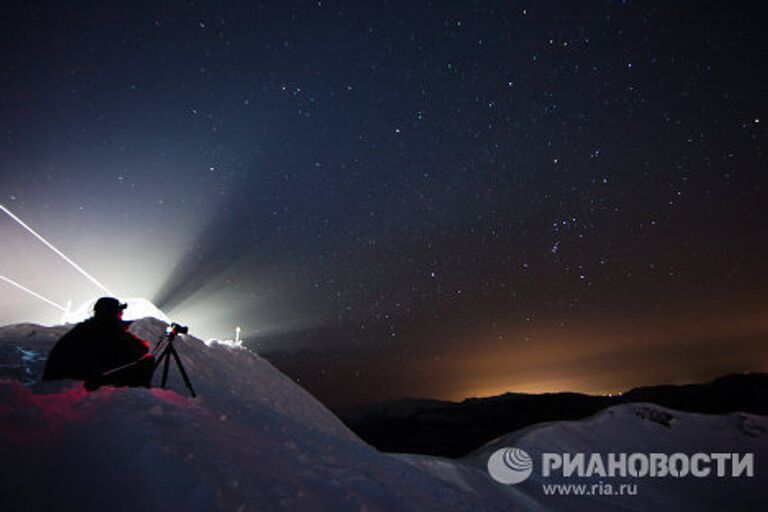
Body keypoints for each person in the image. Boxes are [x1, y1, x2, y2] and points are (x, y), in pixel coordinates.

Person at [42, 297, 155, 390]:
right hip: (78, 381)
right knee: (145, 361)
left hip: (64, 377)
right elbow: (140, 348)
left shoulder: (86, 327)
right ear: (113, 313)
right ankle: (133, 399)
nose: (121, 314)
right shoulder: (105, 329)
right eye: (119, 312)